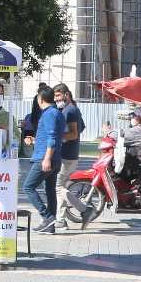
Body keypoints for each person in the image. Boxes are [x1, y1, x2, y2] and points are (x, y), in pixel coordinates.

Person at [20, 86, 64, 233]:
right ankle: (50, 225)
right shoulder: (56, 113)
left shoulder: (49, 114)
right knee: (50, 190)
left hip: (45, 159)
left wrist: (47, 158)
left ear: (41, 99)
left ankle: (47, 217)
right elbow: (53, 136)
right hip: (54, 157)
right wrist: (35, 140)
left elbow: (52, 137)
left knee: (28, 187)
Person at [53, 83, 84, 219]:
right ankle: (60, 219)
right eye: (55, 96)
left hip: (67, 156)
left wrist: (58, 137)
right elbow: (82, 127)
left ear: (66, 94)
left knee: (58, 187)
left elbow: (74, 134)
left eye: (58, 95)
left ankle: (83, 208)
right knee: (62, 187)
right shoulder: (71, 109)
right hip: (70, 154)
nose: (56, 99)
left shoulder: (70, 110)